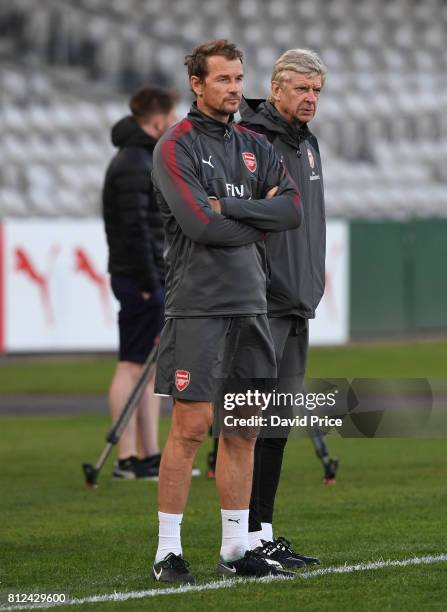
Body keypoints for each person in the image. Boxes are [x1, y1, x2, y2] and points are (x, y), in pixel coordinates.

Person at [151, 39, 302, 583]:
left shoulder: (254, 145)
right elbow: (199, 227)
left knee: (243, 431)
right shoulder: (175, 145)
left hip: (252, 306)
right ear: (197, 83)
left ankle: (237, 551)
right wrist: (255, 218)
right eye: (224, 80)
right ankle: (168, 552)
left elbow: (290, 210)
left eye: (239, 79)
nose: (236, 89)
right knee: (191, 429)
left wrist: (234, 208)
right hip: (198, 308)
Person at [238, 48, 337, 566]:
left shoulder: (309, 143)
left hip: (297, 302)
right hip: (261, 303)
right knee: (247, 424)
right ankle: (242, 541)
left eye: (316, 91)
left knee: (276, 425)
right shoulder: (250, 142)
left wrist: (311, 283)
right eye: (301, 89)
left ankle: (264, 532)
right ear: (275, 88)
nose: (310, 99)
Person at [102, 85, 177, 480]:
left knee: (148, 368)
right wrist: (150, 280)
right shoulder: (133, 162)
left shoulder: (136, 157)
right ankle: (127, 458)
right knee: (132, 364)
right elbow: (135, 229)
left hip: (143, 274)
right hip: (139, 276)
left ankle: (148, 455)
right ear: (156, 118)